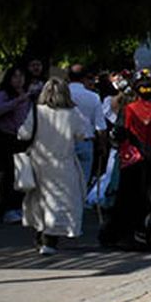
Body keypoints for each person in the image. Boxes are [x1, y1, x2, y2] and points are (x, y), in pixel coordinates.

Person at [99, 77, 151, 248]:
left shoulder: (129, 110)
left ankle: (126, 233)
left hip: (133, 159)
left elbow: (120, 132)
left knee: (128, 197)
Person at [18, 77, 93, 254]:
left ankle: (40, 233)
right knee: (59, 201)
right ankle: (50, 240)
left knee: (39, 200)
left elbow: (23, 134)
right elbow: (85, 133)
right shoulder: (73, 113)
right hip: (64, 163)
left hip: (39, 163)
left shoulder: (37, 111)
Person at [0, 65, 33, 222]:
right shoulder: (4, 94)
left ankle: (19, 205)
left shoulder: (28, 95)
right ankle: (8, 207)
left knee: (22, 173)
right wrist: (16, 101)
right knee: (10, 173)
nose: (19, 80)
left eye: (21, 76)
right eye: (15, 76)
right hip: (6, 138)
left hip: (22, 139)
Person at [67, 64, 108, 198]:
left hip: (65, 142)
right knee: (82, 182)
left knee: (65, 180)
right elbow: (100, 127)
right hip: (85, 141)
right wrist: (102, 145)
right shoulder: (93, 97)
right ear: (84, 78)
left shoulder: (62, 95)